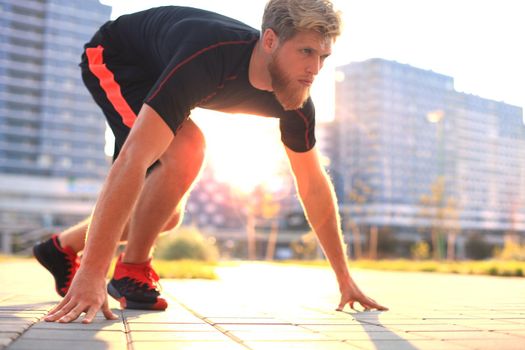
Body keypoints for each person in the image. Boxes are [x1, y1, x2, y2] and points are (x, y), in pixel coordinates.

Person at [34, 0, 388, 324]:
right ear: (269, 41)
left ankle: (59, 249)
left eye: (323, 57)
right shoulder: (209, 57)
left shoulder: (296, 102)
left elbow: (313, 186)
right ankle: (131, 270)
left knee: (165, 215)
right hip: (116, 56)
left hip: (163, 65)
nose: (314, 69)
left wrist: (345, 279)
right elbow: (132, 160)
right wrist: (92, 273)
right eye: (306, 52)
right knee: (188, 147)